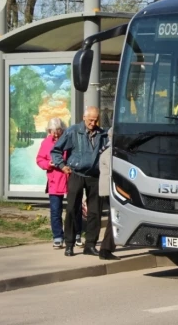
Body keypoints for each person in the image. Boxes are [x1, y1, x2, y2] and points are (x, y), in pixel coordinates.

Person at [51, 106, 108, 257]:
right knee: (71, 209)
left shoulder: (102, 134)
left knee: (95, 212)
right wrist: (62, 166)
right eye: (90, 120)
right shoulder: (73, 131)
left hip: (95, 176)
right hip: (76, 173)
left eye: (96, 120)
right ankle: (69, 244)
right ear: (84, 118)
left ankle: (90, 245)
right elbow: (56, 150)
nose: (93, 123)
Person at [36, 117, 81, 249]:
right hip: (54, 180)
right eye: (52, 131)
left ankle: (76, 234)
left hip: (69, 178)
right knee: (55, 211)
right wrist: (48, 164)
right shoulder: (46, 143)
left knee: (74, 208)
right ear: (49, 130)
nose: (55, 134)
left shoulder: (69, 140)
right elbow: (39, 159)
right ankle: (58, 236)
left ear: (63, 130)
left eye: (58, 131)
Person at [98, 127, 119, 260]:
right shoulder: (110, 152)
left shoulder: (108, 149)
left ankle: (106, 248)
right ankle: (105, 249)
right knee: (114, 218)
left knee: (114, 218)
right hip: (111, 189)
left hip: (109, 189)